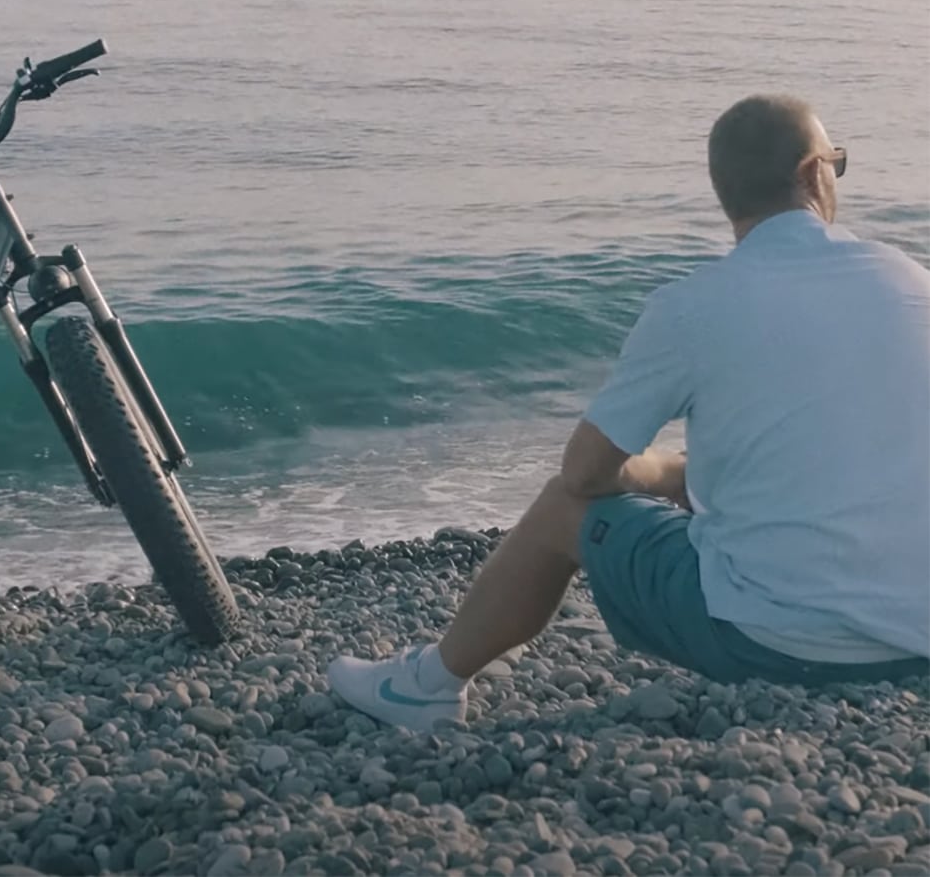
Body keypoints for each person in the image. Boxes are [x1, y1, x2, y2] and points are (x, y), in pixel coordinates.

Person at [328, 95, 930, 729]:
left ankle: (426, 685)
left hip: (783, 646)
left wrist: (671, 475)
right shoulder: (911, 282)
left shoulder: (694, 308)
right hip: (918, 640)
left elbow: (586, 475)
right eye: (837, 161)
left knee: (565, 508)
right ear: (813, 174)